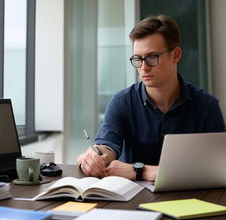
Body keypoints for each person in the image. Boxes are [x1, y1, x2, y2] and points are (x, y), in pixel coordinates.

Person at [77, 14, 225, 181]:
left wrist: (141, 171)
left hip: (191, 200)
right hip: (131, 202)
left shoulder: (206, 106)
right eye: (138, 59)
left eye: (152, 57)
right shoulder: (122, 102)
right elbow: (107, 145)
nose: (144, 67)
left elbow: (218, 169)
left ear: (175, 55)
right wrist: (93, 157)